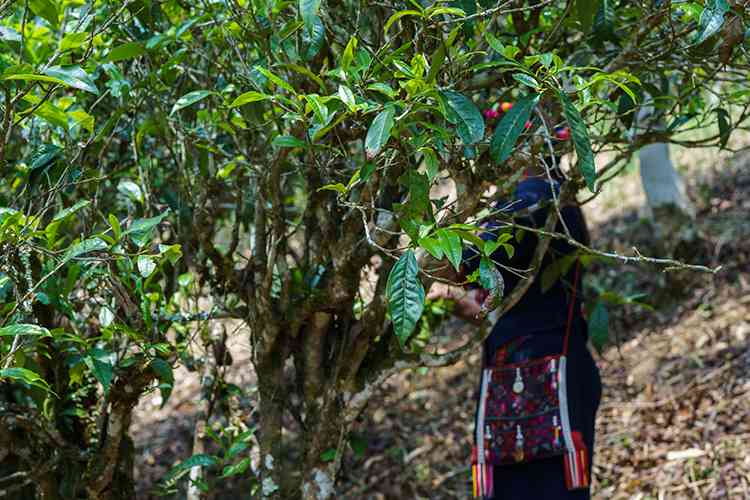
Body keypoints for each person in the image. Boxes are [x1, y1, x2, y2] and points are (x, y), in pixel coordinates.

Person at [427, 163, 602, 500]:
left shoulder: (530, 200)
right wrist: (460, 300)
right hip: (548, 372)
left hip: (538, 383)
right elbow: (518, 302)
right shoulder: (551, 193)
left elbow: (453, 262)